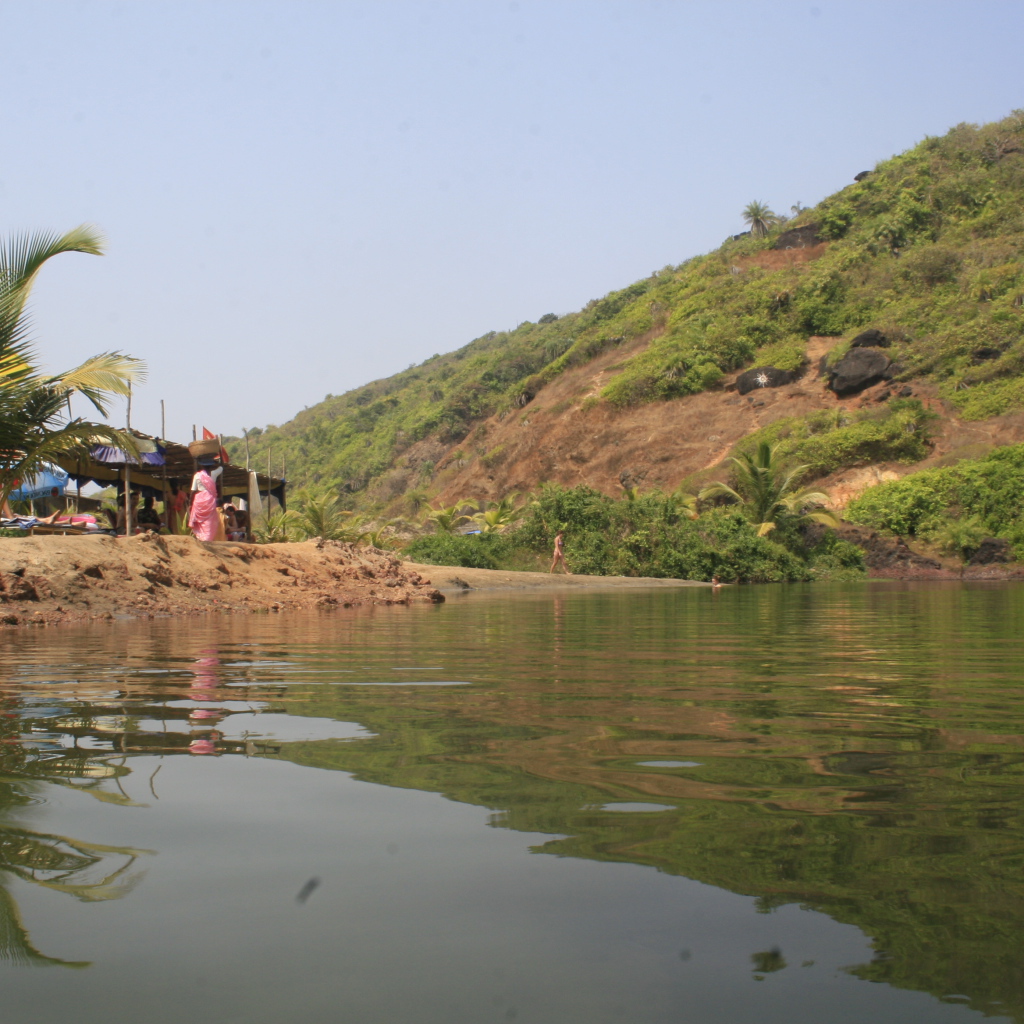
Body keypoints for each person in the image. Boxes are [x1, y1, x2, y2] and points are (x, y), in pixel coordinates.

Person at [188, 461, 221, 541]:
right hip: (210, 499)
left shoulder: (197, 475)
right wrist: (221, 458)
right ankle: (208, 538)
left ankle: (201, 538)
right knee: (209, 521)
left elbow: (193, 490)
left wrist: (190, 502)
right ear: (211, 467)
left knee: (200, 521)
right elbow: (221, 468)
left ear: (202, 466)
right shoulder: (214, 474)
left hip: (199, 499)